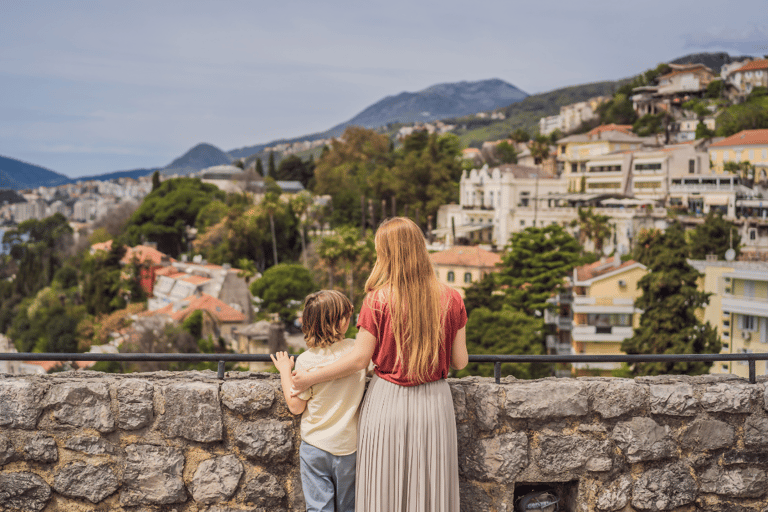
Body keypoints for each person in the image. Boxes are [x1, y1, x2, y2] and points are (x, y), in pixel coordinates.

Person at [292, 217, 468, 512]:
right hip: (436, 404)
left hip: (388, 402)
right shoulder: (452, 298)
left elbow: (360, 359)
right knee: (430, 490)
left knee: (383, 491)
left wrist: (310, 377)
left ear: (386, 253)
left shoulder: (378, 299)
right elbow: (460, 361)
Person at [271, 290, 366, 512]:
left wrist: (285, 370)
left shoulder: (306, 361)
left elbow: (295, 407)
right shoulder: (356, 352)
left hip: (315, 446)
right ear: (341, 322)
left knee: (318, 507)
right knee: (348, 507)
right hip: (348, 446)